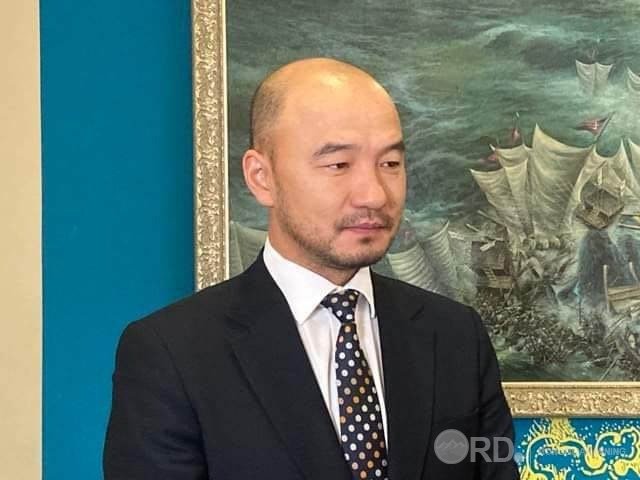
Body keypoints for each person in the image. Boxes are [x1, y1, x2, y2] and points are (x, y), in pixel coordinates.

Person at [104, 57, 519, 480]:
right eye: (338, 165)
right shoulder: (172, 354)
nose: (374, 194)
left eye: (390, 164)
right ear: (261, 177)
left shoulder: (455, 336)